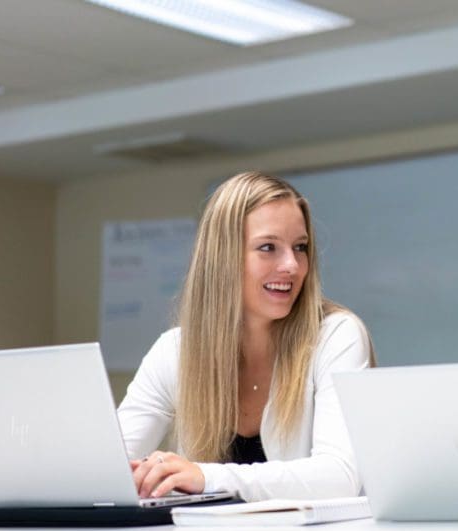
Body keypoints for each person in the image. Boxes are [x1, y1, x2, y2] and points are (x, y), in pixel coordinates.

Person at [117, 171, 374, 502]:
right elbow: (107, 469)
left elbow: (340, 476)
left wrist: (206, 476)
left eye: (300, 247)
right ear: (223, 258)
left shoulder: (336, 336)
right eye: (268, 247)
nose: (293, 266)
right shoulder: (174, 351)